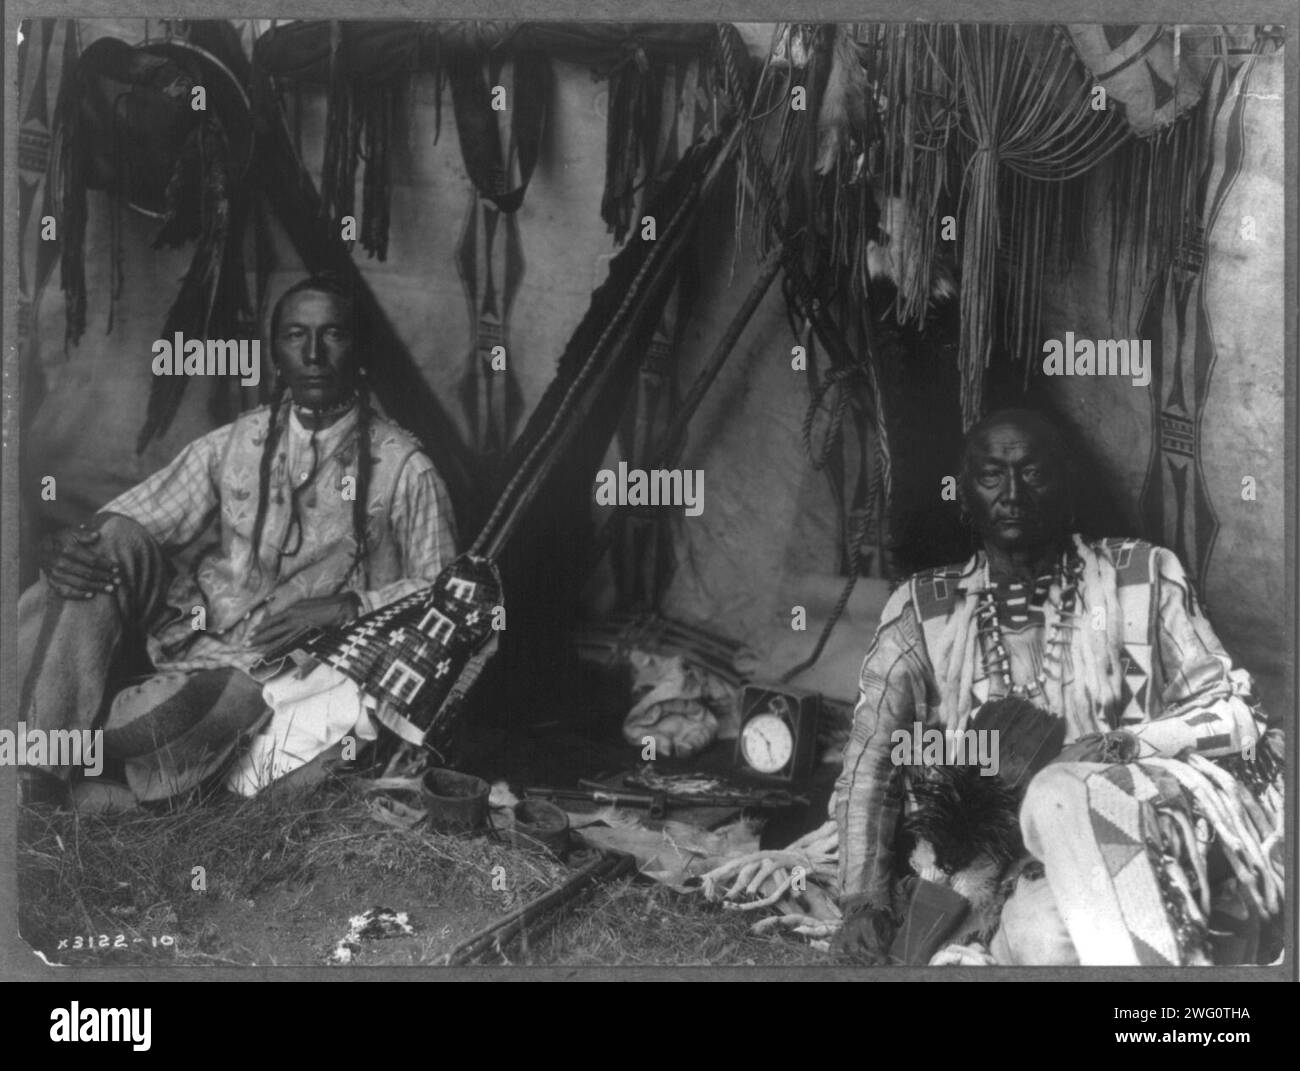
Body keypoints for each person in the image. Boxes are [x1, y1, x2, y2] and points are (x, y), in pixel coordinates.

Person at [832, 408, 1275, 966]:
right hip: (997, 875)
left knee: (1063, 863)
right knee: (1045, 939)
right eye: (992, 475)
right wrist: (862, 900)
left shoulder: (1141, 577)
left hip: (1128, 838)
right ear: (966, 494)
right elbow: (872, 765)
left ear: (1064, 482)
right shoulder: (923, 610)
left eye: (1033, 472)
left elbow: (1235, 712)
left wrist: (1124, 745)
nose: (1012, 492)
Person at [19, 273, 457, 806]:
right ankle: (39, 775)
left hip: (264, 677)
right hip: (183, 641)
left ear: (358, 349)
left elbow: (448, 599)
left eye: (333, 335)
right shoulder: (240, 441)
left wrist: (351, 605)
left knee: (217, 701)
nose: (314, 353)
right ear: (276, 352)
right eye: (296, 335)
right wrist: (64, 546)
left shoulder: (406, 469)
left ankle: (66, 735)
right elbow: (125, 525)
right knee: (107, 541)